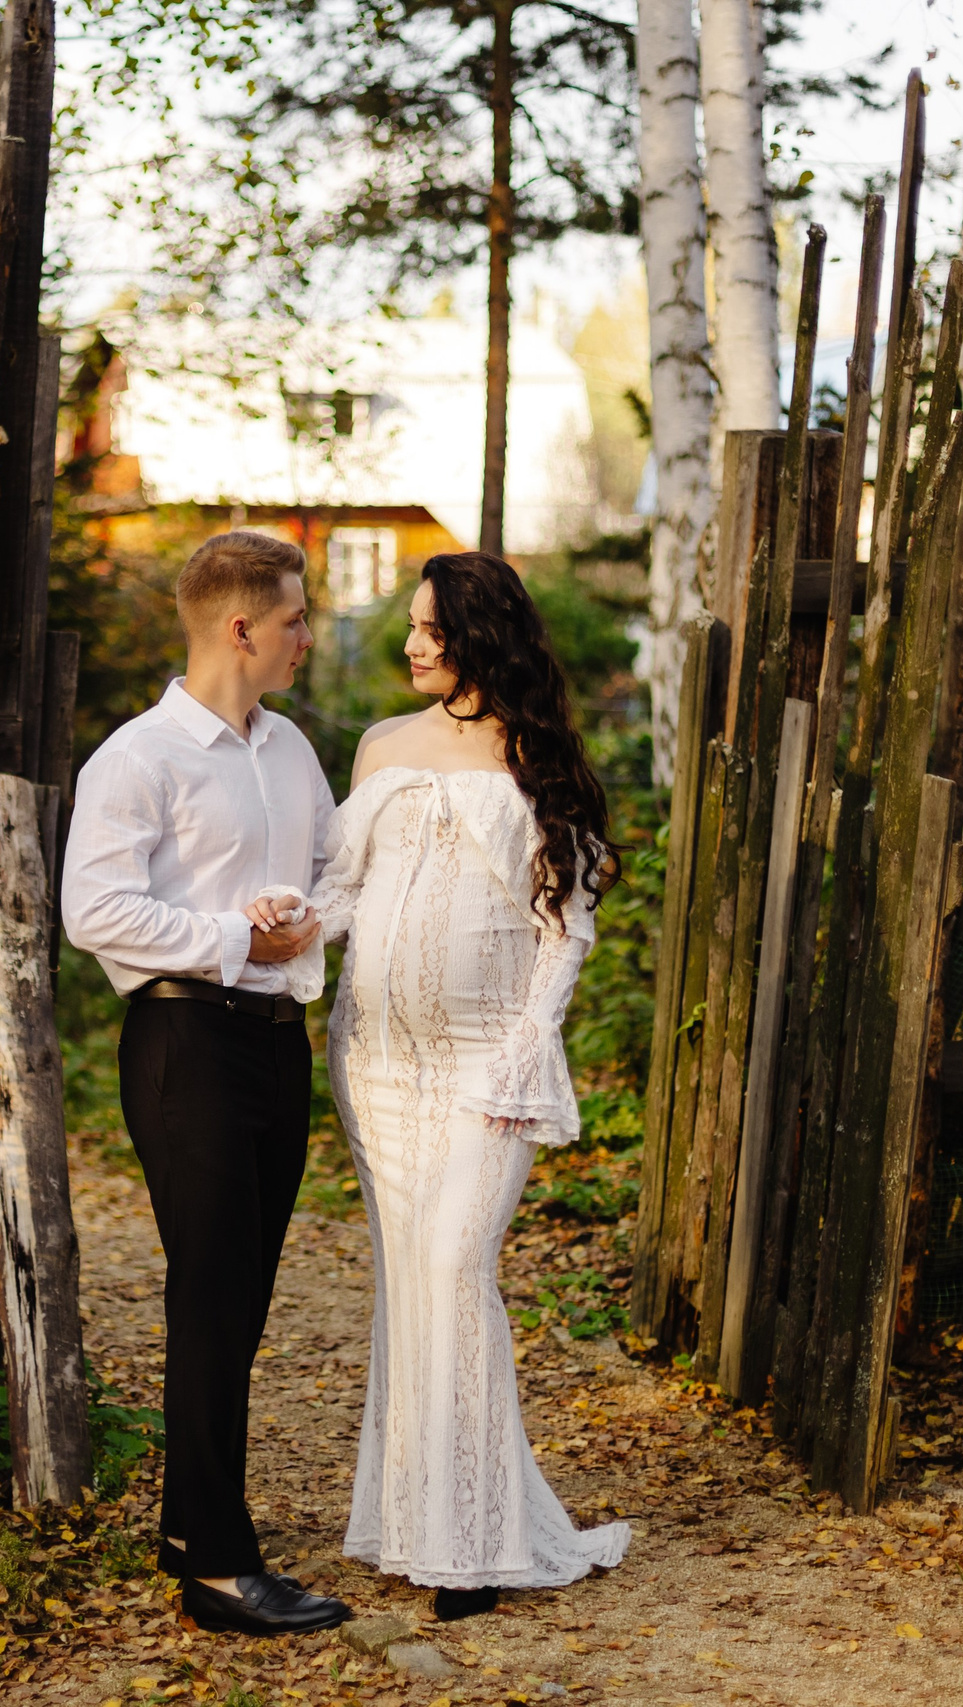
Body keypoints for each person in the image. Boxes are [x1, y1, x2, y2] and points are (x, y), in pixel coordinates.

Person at [258, 551, 631, 1622]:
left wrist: (527, 1044)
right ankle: (418, 1520)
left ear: (482, 636)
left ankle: (469, 1545)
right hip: (375, 1062)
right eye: (413, 629)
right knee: (408, 1284)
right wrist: (292, 926)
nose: (410, 645)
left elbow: (565, 929)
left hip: (485, 1061)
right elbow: (344, 888)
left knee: (455, 1271)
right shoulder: (380, 744)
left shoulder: (535, 755)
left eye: (428, 628)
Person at [59, 531, 352, 1637]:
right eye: (293, 619)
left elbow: (329, 874)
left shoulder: (290, 753)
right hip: (184, 1045)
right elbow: (95, 914)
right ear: (240, 627)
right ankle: (218, 1569)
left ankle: (196, 1535)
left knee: (243, 1300)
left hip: (276, 1042)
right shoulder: (136, 759)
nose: (305, 639)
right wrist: (232, 934)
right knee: (210, 1296)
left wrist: (300, 918)